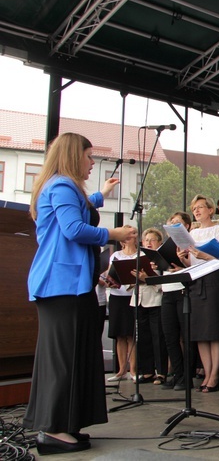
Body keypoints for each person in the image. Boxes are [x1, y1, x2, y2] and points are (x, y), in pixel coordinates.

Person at [23, 132, 136, 454]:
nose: (91, 163)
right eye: (89, 157)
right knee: (64, 358)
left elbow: (81, 209)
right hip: (61, 285)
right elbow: (74, 229)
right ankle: (54, 429)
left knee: (76, 355)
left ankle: (67, 423)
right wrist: (112, 233)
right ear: (74, 156)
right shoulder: (60, 185)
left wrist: (102, 194)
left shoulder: (65, 187)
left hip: (73, 285)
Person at [178, 194, 219, 393]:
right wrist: (183, 259)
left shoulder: (218, 229)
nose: (197, 211)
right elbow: (191, 263)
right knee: (200, 332)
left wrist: (205, 256)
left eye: (201, 207)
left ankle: (215, 373)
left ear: (210, 210)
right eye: (194, 208)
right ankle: (207, 372)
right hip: (195, 281)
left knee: (214, 330)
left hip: (214, 280)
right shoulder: (191, 232)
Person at [160, 211, 192, 391]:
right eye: (171, 221)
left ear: (186, 226)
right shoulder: (166, 244)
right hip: (167, 291)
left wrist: (180, 266)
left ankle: (187, 376)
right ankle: (177, 374)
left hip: (182, 290)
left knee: (185, 336)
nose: (173, 224)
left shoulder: (188, 242)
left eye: (177, 222)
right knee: (170, 337)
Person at [135, 228, 168, 384]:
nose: (149, 242)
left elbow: (163, 283)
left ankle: (161, 372)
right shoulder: (139, 258)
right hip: (139, 299)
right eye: (146, 240)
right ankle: (147, 371)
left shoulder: (162, 258)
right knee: (143, 337)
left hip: (156, 299)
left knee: (158, 337)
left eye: (152, 240)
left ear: (159, 242)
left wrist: (147, 277)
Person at [106, 225, 139, 382]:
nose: (128, 238)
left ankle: (133, 369)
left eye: (131, 235)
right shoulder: (116, 255)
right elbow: (109, 274)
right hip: (116, 296)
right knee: (119, 334)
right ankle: (121, 370)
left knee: (131, 334)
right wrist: (109, 281)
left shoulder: (141, 255)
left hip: (132, 297)